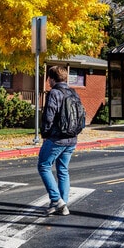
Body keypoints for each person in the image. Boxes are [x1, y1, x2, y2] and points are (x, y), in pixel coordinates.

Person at [38, 65, 82, 216]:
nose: (48, 82)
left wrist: (45, 133)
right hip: (72, 138)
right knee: (63, 170)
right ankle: (63, 204)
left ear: (51, 79)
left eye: (48, 79)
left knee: (44, 165)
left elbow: (49, 116)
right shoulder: (74, 93)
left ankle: (56, 200)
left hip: (57, 138)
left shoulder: (54, 93)